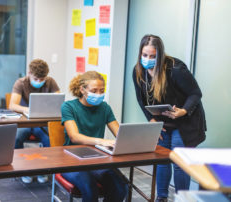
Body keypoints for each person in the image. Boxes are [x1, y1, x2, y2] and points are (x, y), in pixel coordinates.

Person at [132, 34, 206, 202]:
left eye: (153, 56)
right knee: (162, 160)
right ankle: (162, 197)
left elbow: (195, 93)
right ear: (140, 54)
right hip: (162, 122)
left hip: (185, 120)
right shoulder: (138, 72)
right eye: (144, 55)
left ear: (160, 55)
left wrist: (184, 111)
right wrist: (151, 120)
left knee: (180, 163)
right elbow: (141, 100)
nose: (148, 59)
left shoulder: (175, 69)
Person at [61, 71, 128, 202]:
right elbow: (74, 137)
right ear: (82, 89)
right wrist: (102, 141)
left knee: (121, 188)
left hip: (98, 159)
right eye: (94, 90)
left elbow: (120, 133)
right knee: (91, 189)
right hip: (71, 161)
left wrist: (133, 138)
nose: (98, 94)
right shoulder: (68, 107)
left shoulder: (104, 108)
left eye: (101, 90)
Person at [9, 58, 60, 183]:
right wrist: (29, 110)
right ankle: (22, 170)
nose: (39, 82)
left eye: (42, 79)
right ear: (29, 73)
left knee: (50, 138)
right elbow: (12, 106)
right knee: (16, 138)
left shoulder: (50, 82)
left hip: (42, 122)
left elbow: (59, 101)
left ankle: (44, 170)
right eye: (36, 79)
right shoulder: (20, 83)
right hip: (24, 122)